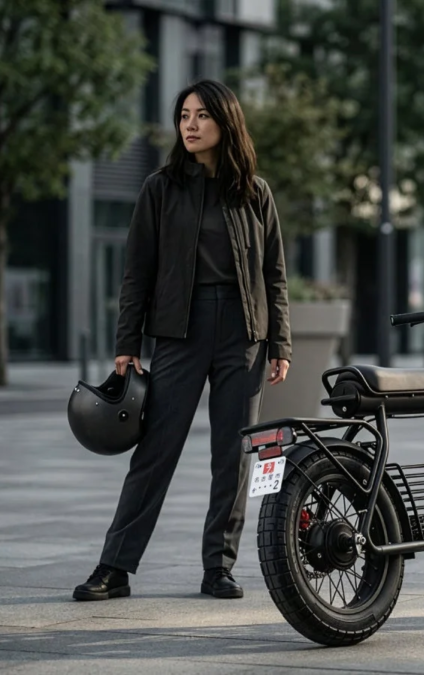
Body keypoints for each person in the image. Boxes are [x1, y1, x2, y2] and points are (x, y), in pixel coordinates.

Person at [73, 79, 291, 602]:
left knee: (234, 455)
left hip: (244, 336)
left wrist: (279, 341)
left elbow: (274, 273)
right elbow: (137, 272)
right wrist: (127, 341)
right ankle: (115, 568)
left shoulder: (254, 192)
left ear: (225, 122)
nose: (189, 125)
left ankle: (219, 567)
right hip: (180, 331)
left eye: (200, 116)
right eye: (183, 116)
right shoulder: (160, 188)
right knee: (155, 452)